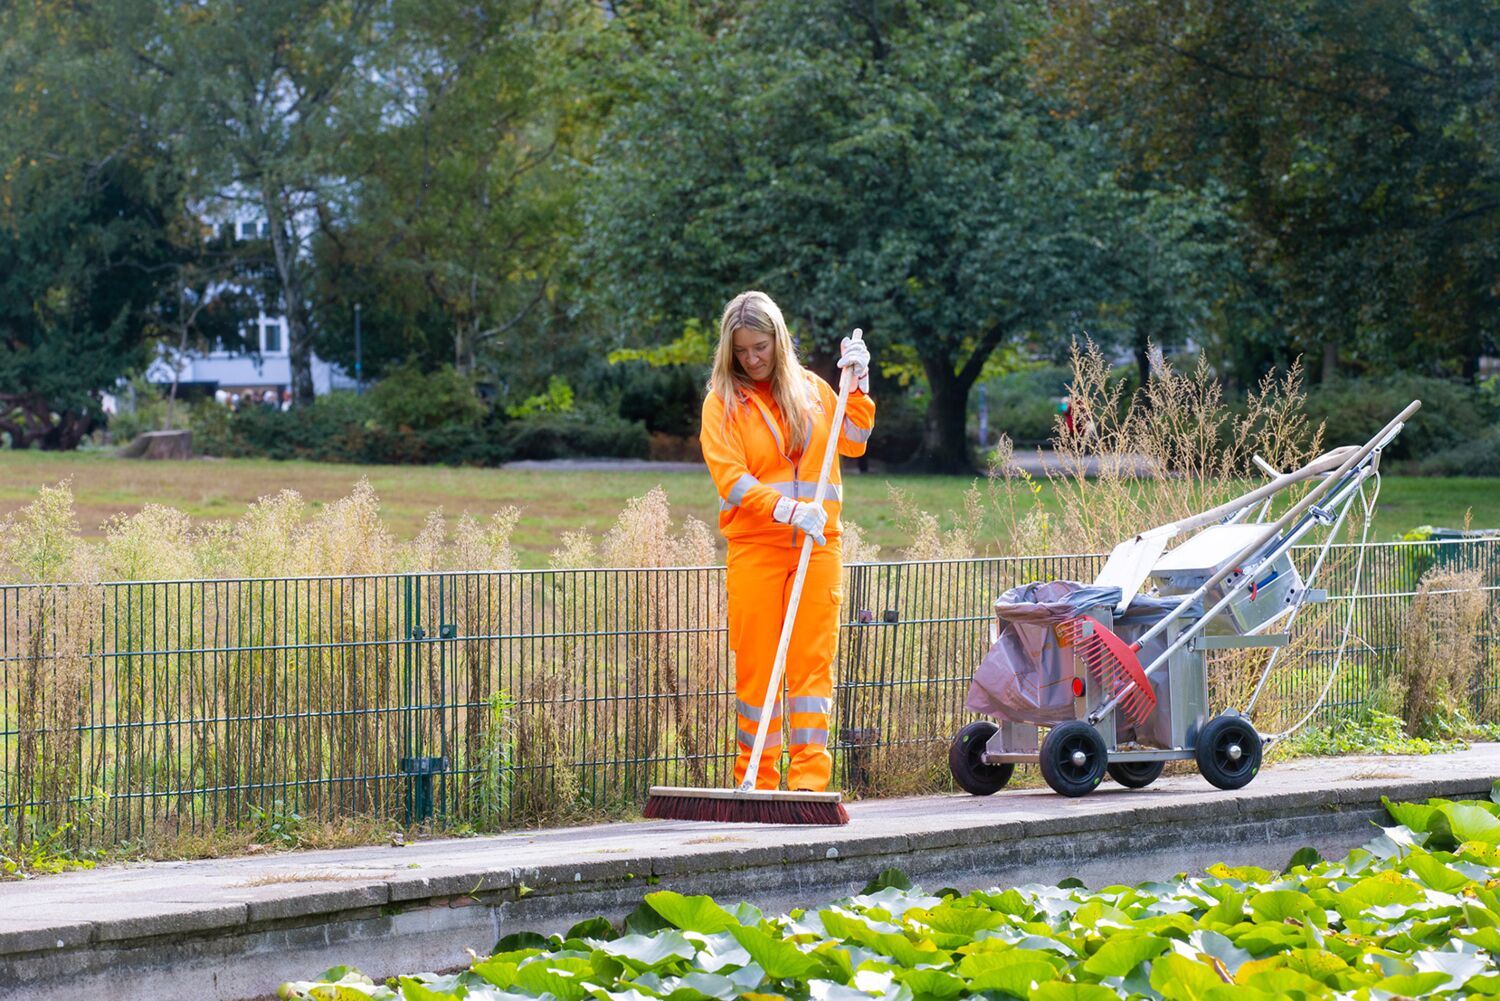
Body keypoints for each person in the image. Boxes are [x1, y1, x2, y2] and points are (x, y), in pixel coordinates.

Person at [699, 290, 875, 792]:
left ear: (779, 341)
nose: (751, 359)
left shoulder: (817, 390)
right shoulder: (722, 403)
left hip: (818, 547)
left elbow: (855, 441)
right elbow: (730, 478)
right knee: (758, 670)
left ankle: (808, 786)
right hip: (755, 547)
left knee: (811, 666)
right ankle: (755, 781)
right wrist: (785, 509)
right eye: (741, 351)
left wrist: (858, 384)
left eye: (760, 347)